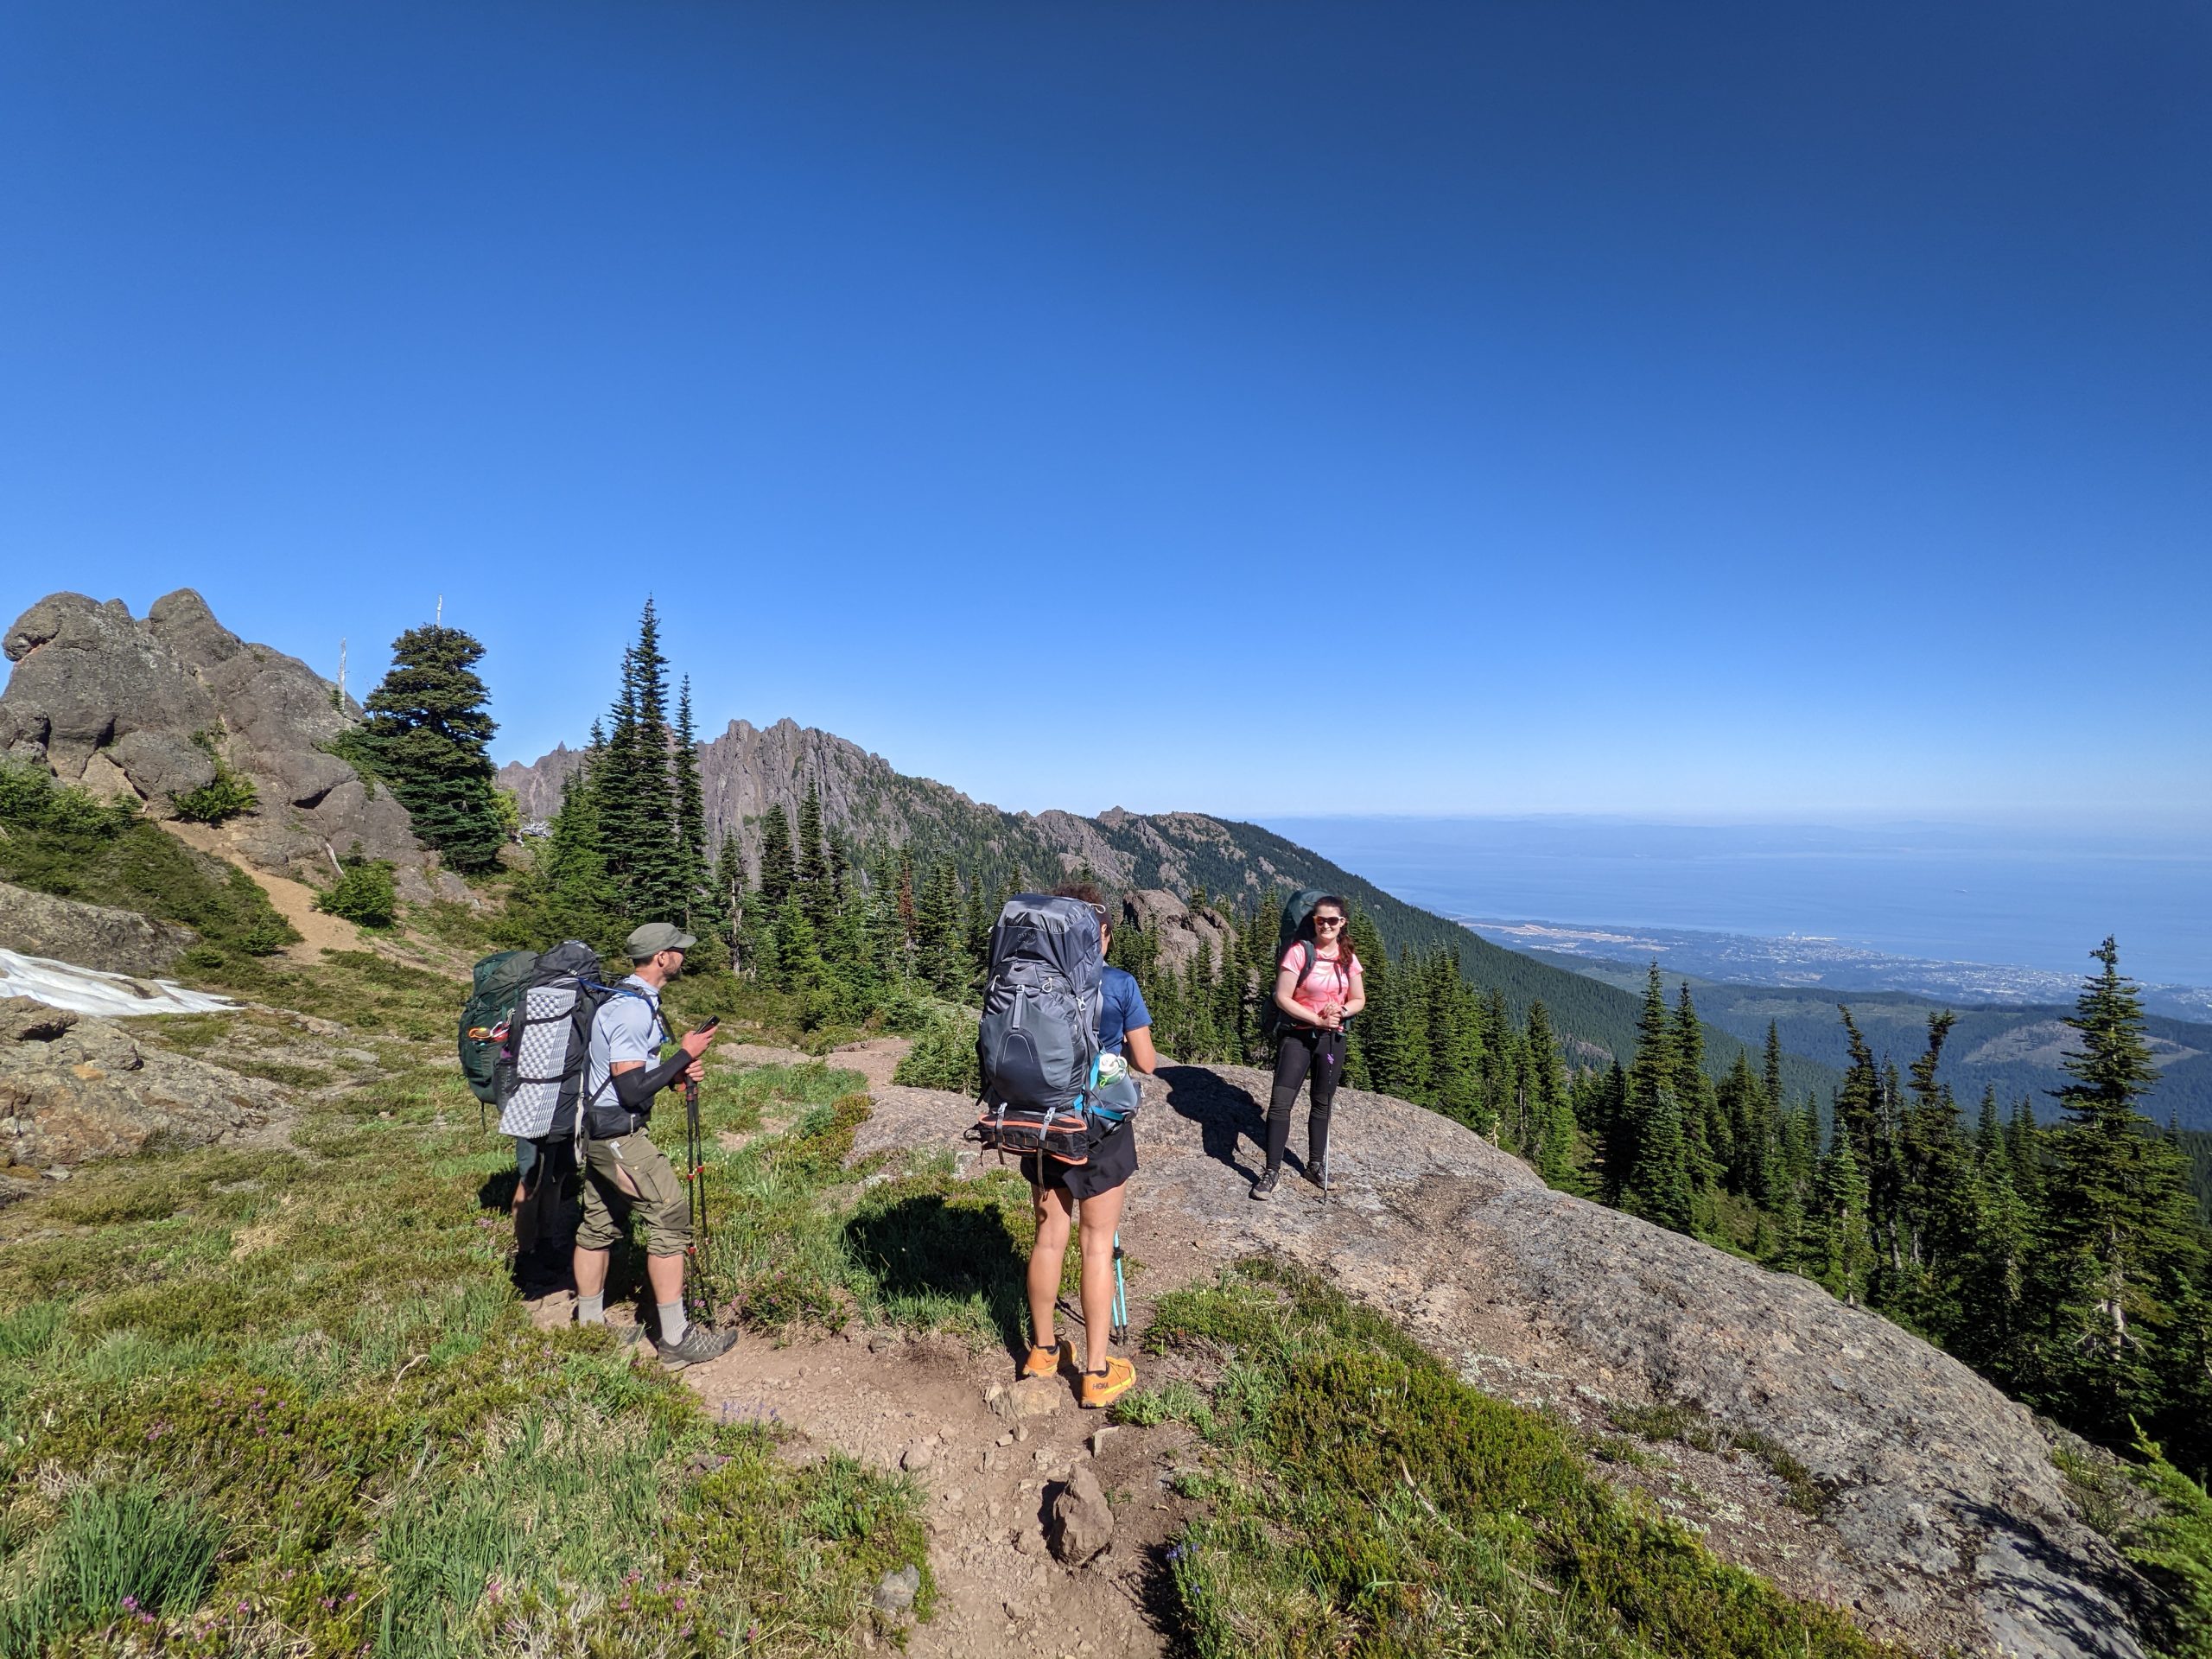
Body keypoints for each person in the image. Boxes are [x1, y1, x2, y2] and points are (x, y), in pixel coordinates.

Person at [571, 921, 735, 1370]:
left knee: (598, 1224)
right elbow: (628, 1089)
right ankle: (676, 1339)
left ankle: (588, 1327)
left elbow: (633, 1076)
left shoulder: (630, 999)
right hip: (618, 1135)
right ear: (661, 957)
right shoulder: (631, 1009)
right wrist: (685, 1054)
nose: (684, 956)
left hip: (600, 1133)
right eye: (678, 950)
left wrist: (674, 1074)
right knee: (670, 1217)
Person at [1020, 882, 1155, 1408]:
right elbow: (1145, 1062)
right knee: (1096, 1245)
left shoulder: (1033, 982)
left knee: (1048, 1238)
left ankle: (1042, 1351)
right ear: (1099, 933)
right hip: (1100, 1129)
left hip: (1043, 1125)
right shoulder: (1119, 985)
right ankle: (1096, 1373)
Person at [1252, 894, 1364, 1200]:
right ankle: (1271, 1170)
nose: (1326, 925)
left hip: (1332, 1037)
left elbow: (1358, 999)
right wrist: (1316, 1018)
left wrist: (1341, 1012)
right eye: (1320, 920)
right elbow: (1282, 997)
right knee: (1280, 1104)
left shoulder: (1347, 957)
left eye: (1332, 920)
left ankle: (1315, 1165)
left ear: (1343, 923)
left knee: (1322, 1103)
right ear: (1313, 921)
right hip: (1298, 1036)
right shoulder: (1300, 953)